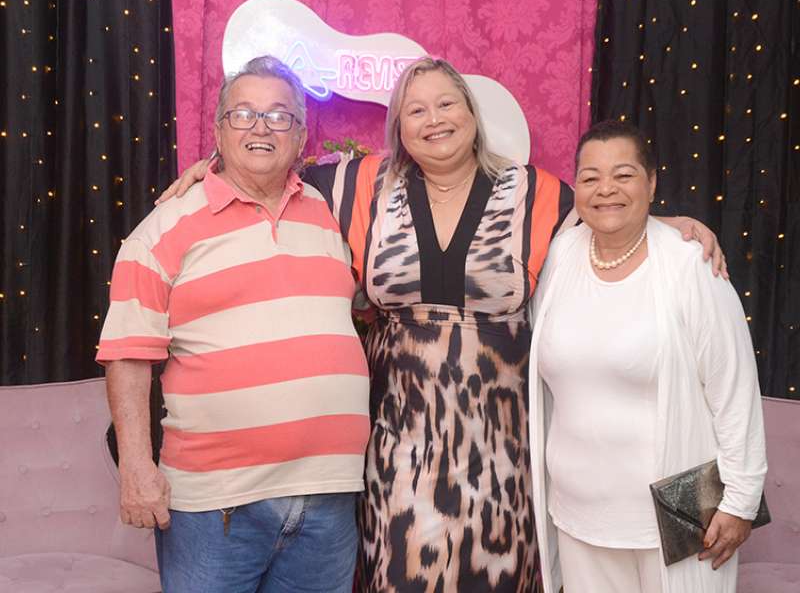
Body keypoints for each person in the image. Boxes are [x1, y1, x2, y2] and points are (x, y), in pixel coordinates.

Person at [161, 57, 725, 592]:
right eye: (416, 109)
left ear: (472, 113)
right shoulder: (357, 185)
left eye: (447, 103)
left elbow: (610, 217)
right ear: (399, 127)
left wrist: (668, 225)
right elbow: (265, 167)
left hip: (504, 444)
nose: (434, 119)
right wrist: (210, 168)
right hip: (397, 441)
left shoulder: (538, 193)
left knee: (497, 575)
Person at [96, 56, 370, 593]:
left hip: (330, 498)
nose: (261, 128)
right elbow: (127, 355)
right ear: (219, 131)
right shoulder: (162, 230)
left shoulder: (329, 208)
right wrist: (135, 467)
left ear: (301, 136)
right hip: (214, 506)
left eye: (279, 116)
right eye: (243, 114)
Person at [529, 120, 766, 593]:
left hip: (681, 511)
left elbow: (734, 388)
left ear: (652, 182)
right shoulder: (560, 254)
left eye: (624, 175)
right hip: (577, 511)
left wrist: (741, 500)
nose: (606, 189)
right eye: (591, 177)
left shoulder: (689, 263)